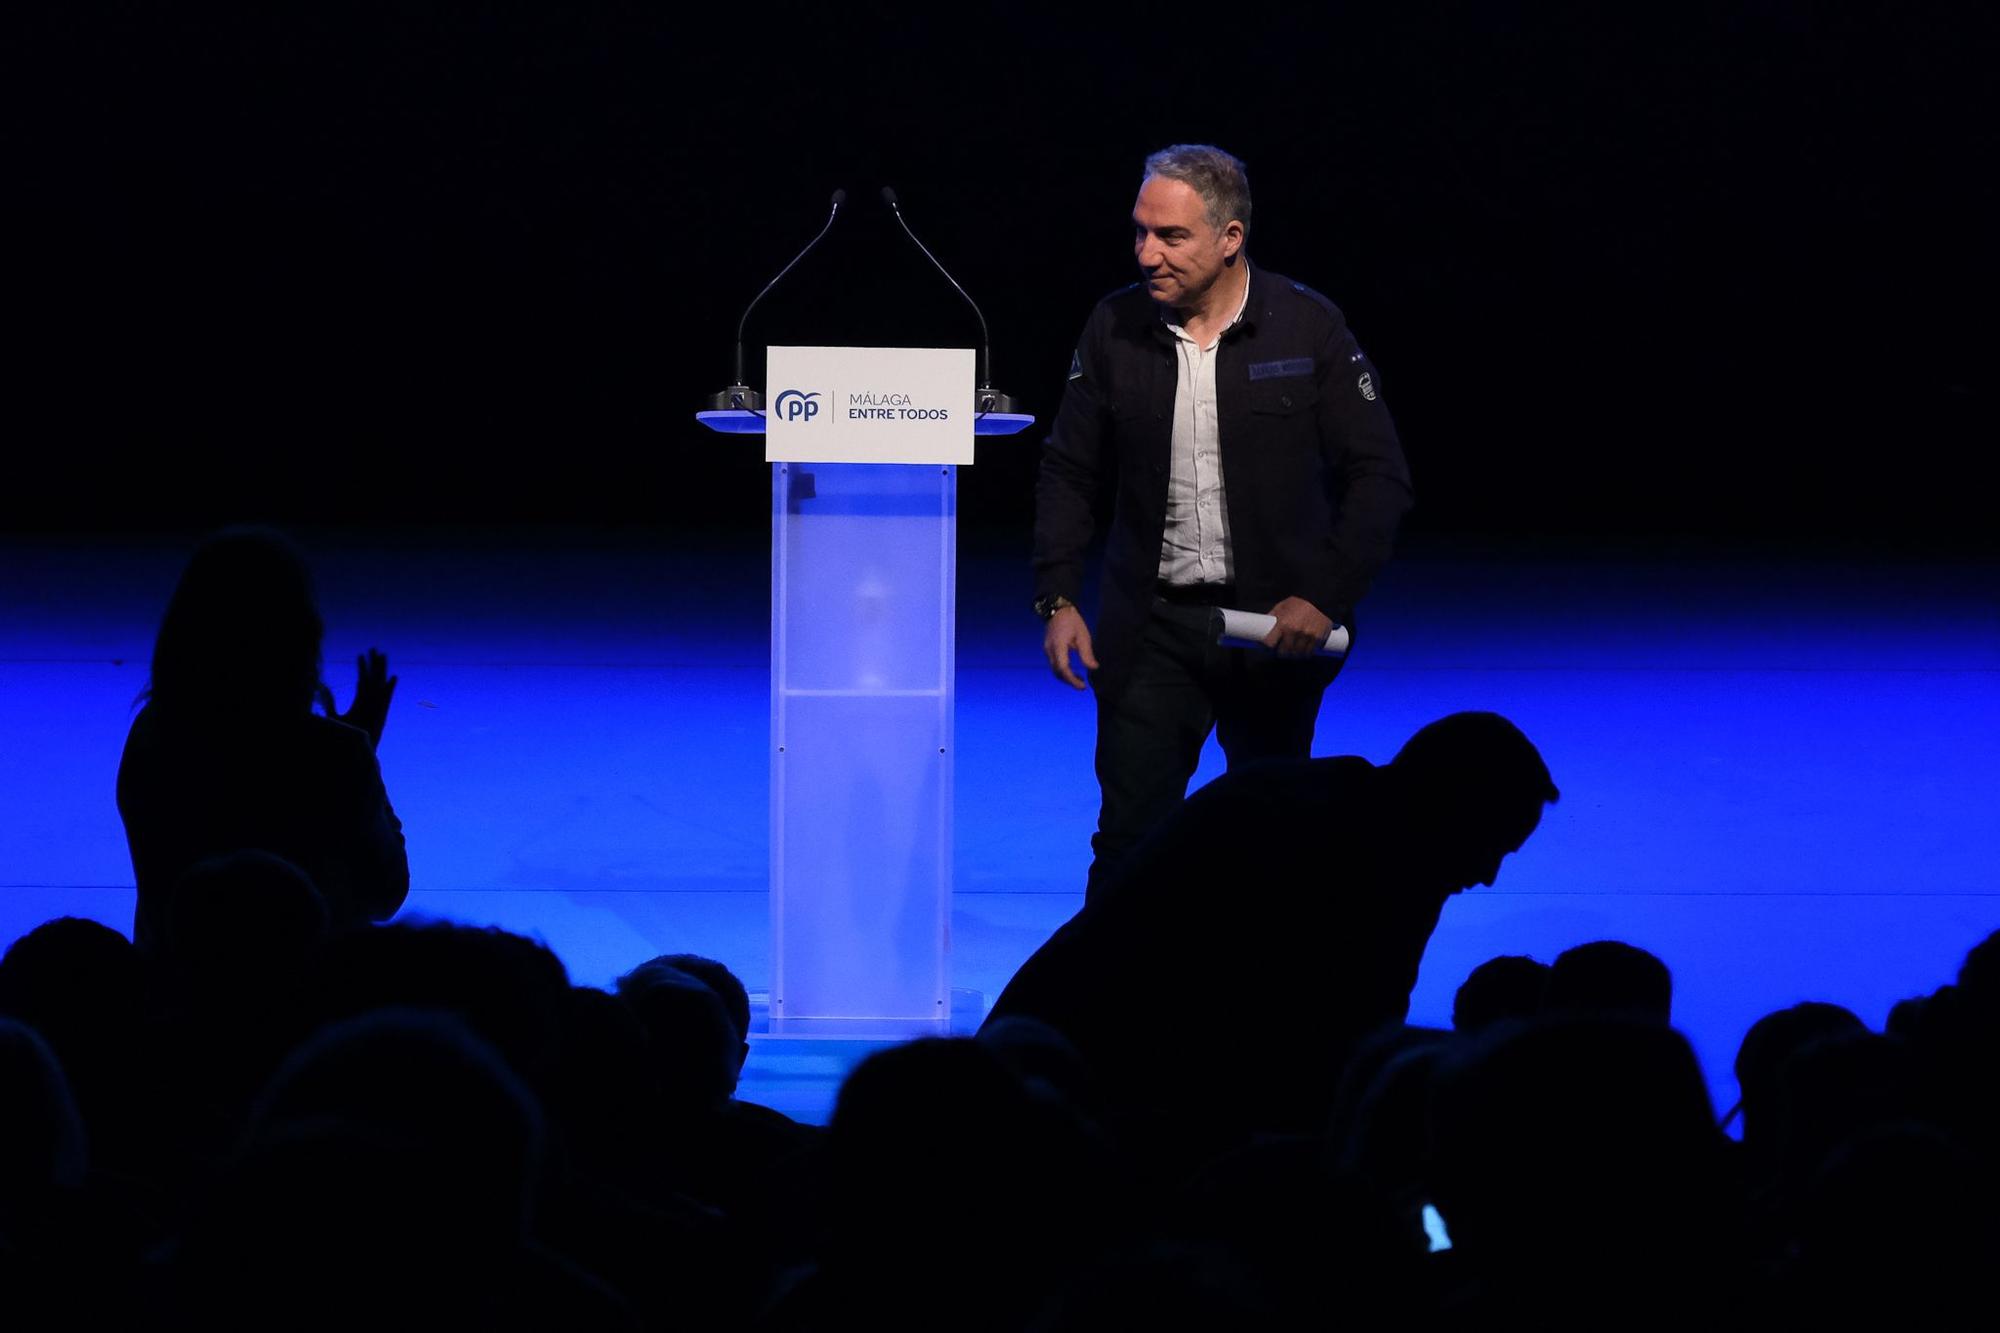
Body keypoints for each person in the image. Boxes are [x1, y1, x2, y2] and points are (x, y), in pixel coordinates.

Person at [1033, 144, 1414, 898]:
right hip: (1152, 629)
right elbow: (1067, 468)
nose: (1147, 253)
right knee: (1130, 843)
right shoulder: (1113, 328)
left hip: (1274, 630)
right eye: (1140, 232)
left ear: (1230, 238)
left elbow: (1380, 479)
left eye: (1170, 237)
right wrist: (1058, 595)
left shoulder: (1307, 328)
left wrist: (1325, 596)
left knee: (1276, 842)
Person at [983, 711, 1559, 1137]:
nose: (1487, 875)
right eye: (1491, 846)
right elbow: (1325, 1057)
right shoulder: (1359, 861)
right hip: (1077, 1099)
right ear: (1449, 809)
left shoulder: (1357, 814)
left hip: (1054, 1063)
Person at [116, 528, 406, 952]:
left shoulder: (150, 737)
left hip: (178, 987)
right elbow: (385, 893)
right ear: (302, 640)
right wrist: (360, 754)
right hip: (309, 994)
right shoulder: (335, 755)